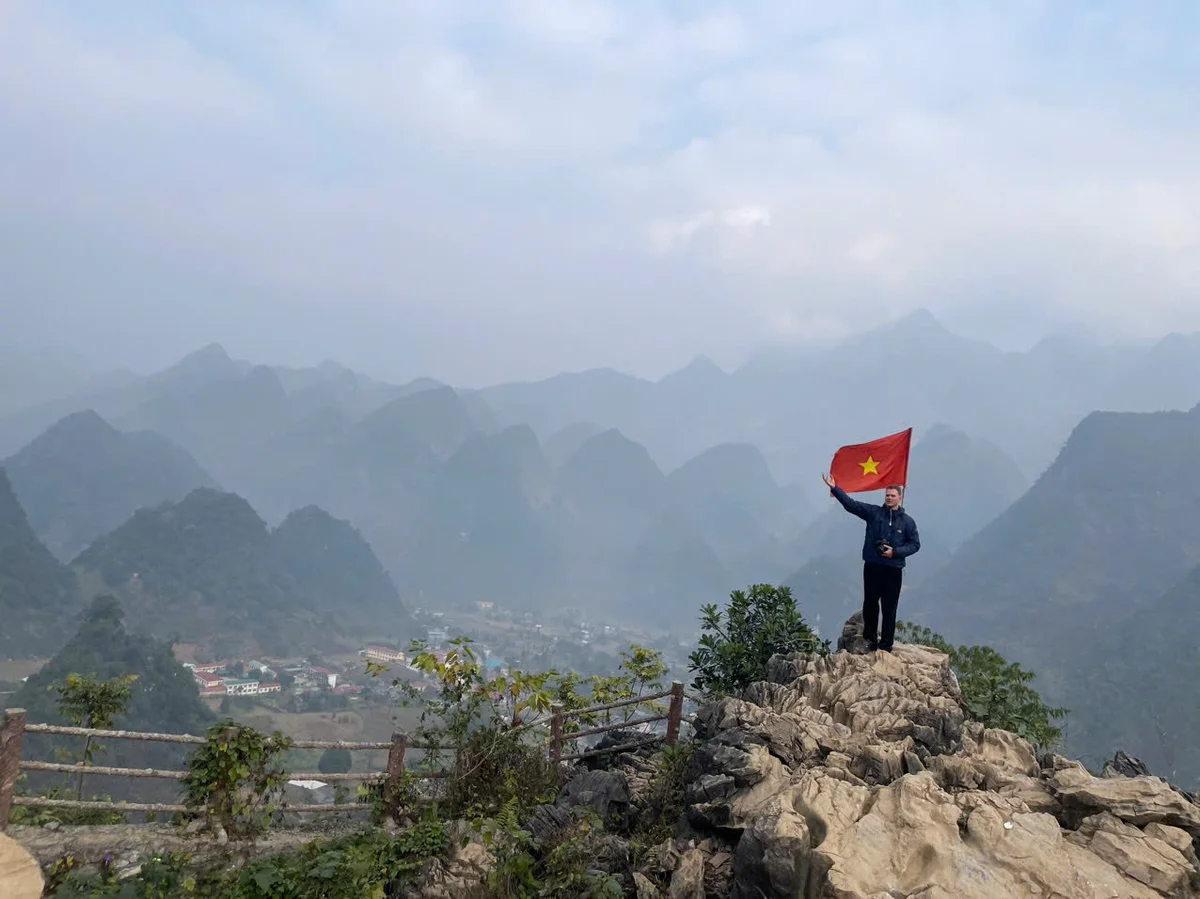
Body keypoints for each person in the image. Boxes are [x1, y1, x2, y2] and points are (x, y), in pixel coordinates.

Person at [821, 473, 920, 652]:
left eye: (893, 495)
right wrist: (834, 488)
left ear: (900, 498)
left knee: (890, 608)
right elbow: (852, 505)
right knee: (870, 604)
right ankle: (870, 640)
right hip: (873, 566)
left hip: (893, 569)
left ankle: (886, 645)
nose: (889, 498)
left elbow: (915, 545)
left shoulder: (907, 522)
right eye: (887, 495)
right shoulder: (874, 513)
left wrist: (895, 552)